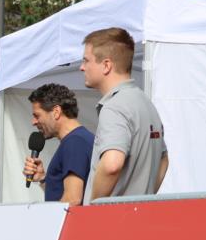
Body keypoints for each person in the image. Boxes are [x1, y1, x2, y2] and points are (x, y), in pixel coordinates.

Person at [81, 28, 169, 202]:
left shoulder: (114, 107)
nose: (82, 67)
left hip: (111, 222)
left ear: (106, 65)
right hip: (137, 217)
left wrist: (93, 207)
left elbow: (112, 164)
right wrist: (143, 197)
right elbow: (164, 160)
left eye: (86, 60)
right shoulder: (145, 102)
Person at [23, 84, 95, 207]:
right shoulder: (77, 139)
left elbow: (72, 199)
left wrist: (51, 223)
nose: (33, 122)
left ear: (56, 112)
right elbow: (64, 195)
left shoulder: (75, 142)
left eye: (37, 115)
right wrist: (43, 178)